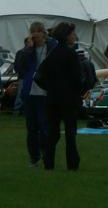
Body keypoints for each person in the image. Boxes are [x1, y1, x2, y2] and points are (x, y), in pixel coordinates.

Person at [35, 22, 87, 171]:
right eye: (72, 33)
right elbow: (77, 78)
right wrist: (79, 91)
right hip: (69, 99)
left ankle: (48, 162)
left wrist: (50, 88)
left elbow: (38, 76)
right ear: (66, 36)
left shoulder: (52, 54)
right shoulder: (71, 53)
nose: (74, 36)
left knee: (53, 132)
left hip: (53, 98)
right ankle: (72, 163)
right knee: (70, 133)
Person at [14, 21, 56, 167]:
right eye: (33, 34)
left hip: (46, 92)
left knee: (44, 126)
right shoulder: (27, 51)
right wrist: (28, 49)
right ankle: (34, 157)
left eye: (38, 33)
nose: (35, 36)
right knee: (31, 128)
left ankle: (46, 154)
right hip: (30, 92)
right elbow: (19, 68)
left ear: (43, 33)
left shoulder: (52, 47)